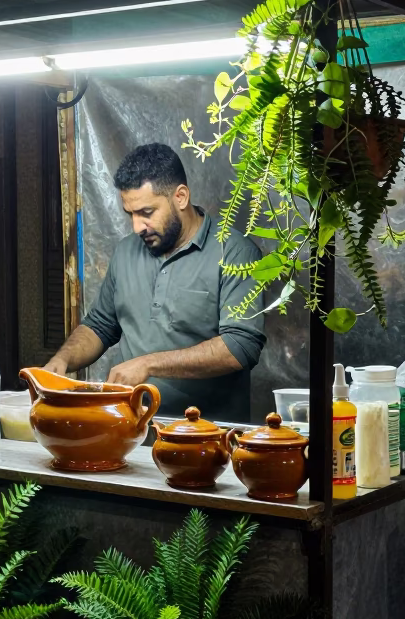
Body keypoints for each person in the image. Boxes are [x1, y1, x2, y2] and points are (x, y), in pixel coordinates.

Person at [44, 142, 265, 420]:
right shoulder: (126, 252)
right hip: (131, 430)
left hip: (207, 438)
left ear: (181, 197)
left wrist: (149, 364)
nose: (137, 227)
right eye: (131, 214)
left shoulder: (234, 253)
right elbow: (99, 325)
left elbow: (240, 346)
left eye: (146, 213)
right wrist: (62, 360)